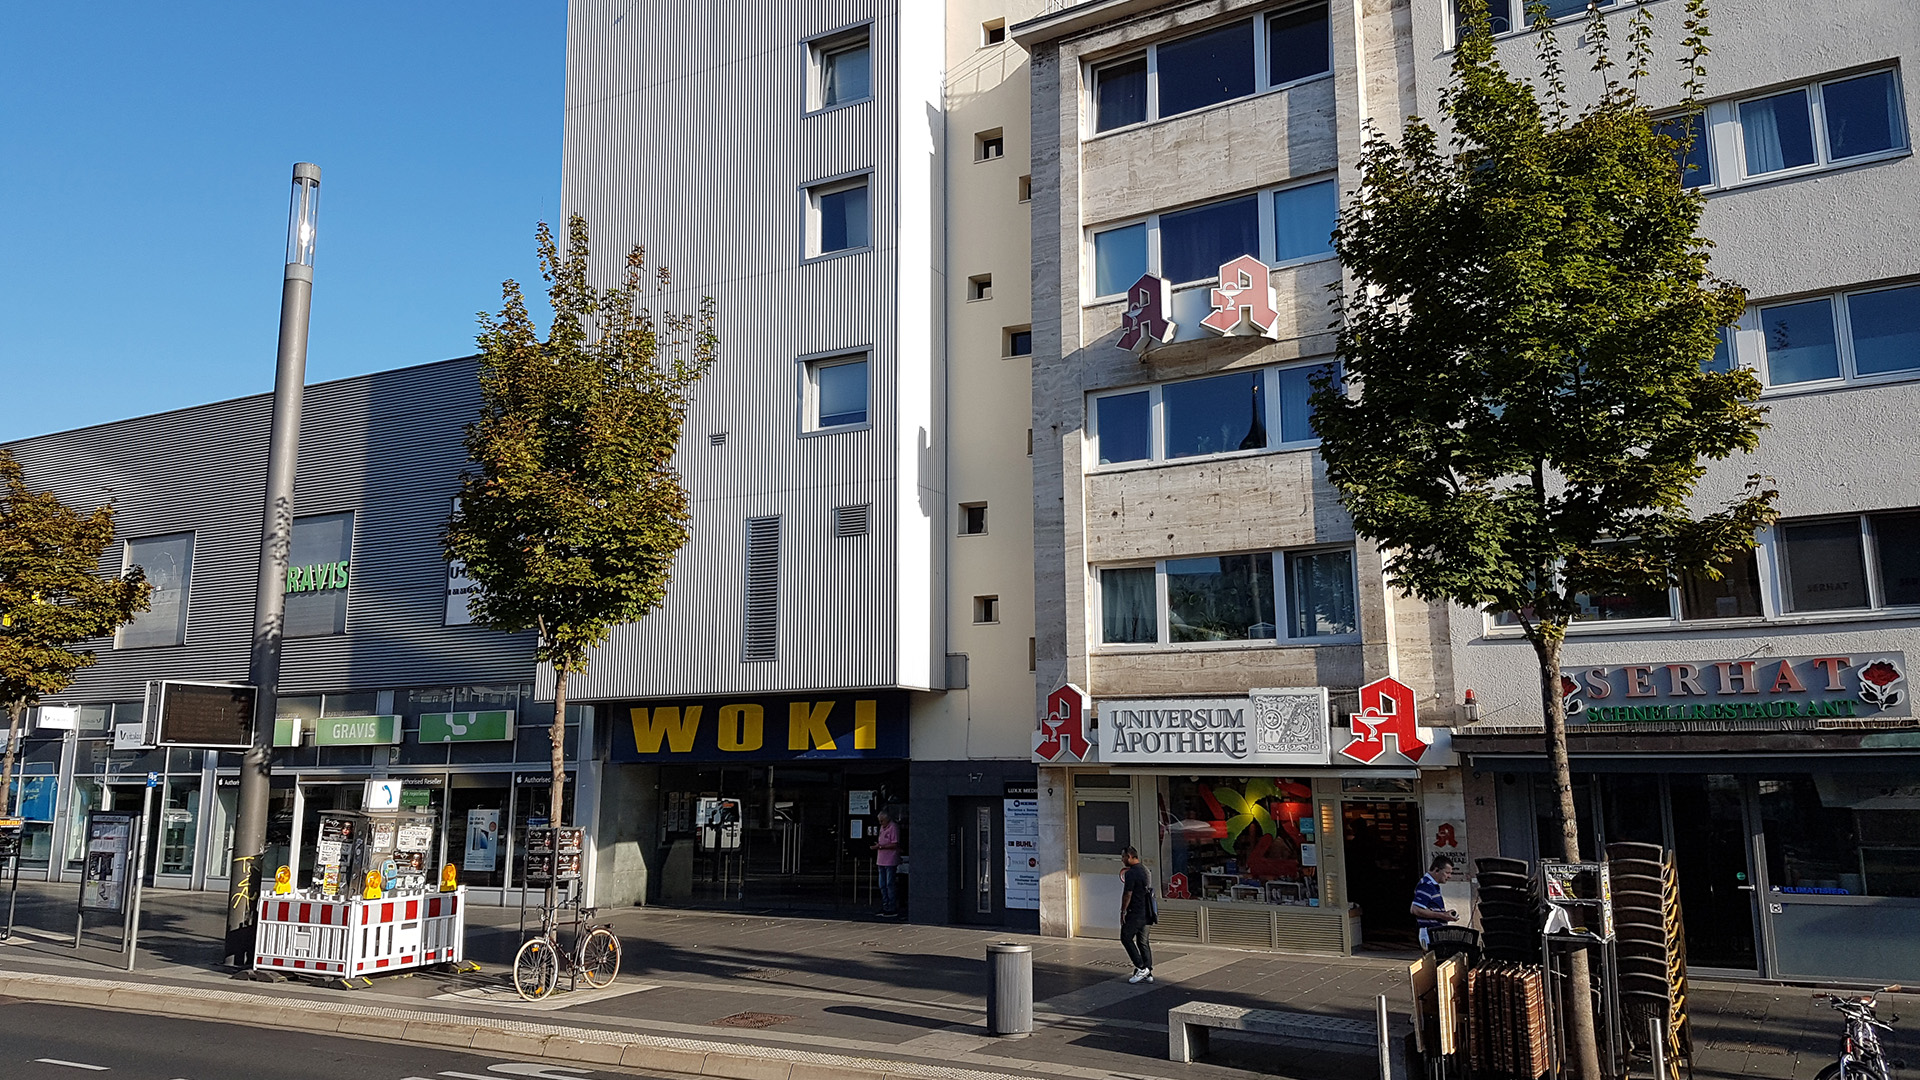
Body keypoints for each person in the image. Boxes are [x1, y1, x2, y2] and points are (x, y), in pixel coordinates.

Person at [1119, 846, 1156, 983]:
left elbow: (1128, 893)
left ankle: (1141, 967)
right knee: (1143, 942)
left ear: (1129, 856)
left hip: (1135, 911)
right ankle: (1148, 971)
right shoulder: (1145, 870)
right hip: (1147, 911)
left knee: (1126, 938)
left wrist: (1123, 911)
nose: (1122, 860)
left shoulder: (1131, 873)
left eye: (1123, 857)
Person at [1410, 854, 1458, 948]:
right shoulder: (1426, 885)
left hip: (1435, 932)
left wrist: (1446, 914)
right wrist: (1443, 915)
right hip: (1429, 933)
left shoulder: (1433, 886)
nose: (1449, 876)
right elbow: (1415, 909)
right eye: (1447, 873)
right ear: (1436, 870)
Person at [872, 810, 902, 919]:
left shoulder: (893, 827)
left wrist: (880, 847)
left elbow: (894, 843)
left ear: (887, 819)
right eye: (879, 821)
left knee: (890, 884)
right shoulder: (882, 827)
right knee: (882, 885)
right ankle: (885, 906)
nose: (880, 823)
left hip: (890, 860)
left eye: (882, 821)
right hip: (881, 859)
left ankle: (892, 907)